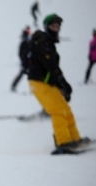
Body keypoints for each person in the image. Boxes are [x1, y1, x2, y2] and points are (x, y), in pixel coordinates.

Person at [28, 14, 90, 154]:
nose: (56, 29)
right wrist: (62, 84)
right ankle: (63, 142)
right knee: (58, 111)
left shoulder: (48, 43)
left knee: (66, 110)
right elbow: (51, 66)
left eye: (57, 26)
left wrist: (62, 85)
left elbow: (53, 68)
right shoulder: (43, 42)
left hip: (47, 82)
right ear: (46, 27)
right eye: (53, 26)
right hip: (39, 82)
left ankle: (74, 138)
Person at [11, 27, 31, 92]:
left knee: (30, 76)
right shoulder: (24, 43)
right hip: (25, 63)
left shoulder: (28, 42)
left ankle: (14, 86)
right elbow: (21, 54)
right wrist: (24, 60)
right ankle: (13, 86)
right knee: (22, 75)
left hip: (28, 63)